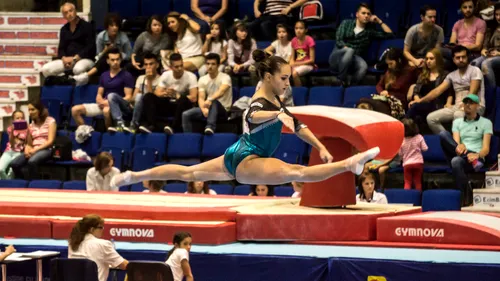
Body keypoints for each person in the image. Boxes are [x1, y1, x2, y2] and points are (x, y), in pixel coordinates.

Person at [110, 53, 380, 189]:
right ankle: (349, 164)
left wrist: (319, 146)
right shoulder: (260, 101)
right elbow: (252, 116)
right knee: (296, 172)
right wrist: (278, 114)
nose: (288, 83)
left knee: (187, 173)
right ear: (267, 77)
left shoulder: (275, 98)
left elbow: (297, 125)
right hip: (247, 158)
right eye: (284, 78)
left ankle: (134, 176)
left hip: (239, 153)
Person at [410, 45, 486, 134]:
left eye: (463, 57)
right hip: (457, 106)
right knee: (431, 118)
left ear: (467, 57)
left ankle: (458, 143)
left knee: (458, 114)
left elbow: (473, 91)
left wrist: (465, 104)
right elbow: (437, 91)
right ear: (453, 60)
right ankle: (448, 139)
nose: (461, 60)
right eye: (458, 58)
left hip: (475, 106)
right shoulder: (452, 75)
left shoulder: (475, 70)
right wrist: (420, 101)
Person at [439, 94, 492, 204]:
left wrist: (477, 155)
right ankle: (467, 191)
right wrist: (461, 146)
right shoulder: (457, 122)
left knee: (455, 161)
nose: (467, 105)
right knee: (443, 134)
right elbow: (456, 144)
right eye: (466, 102)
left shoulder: (486, 123)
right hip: (461, 153)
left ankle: (465, 195)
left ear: (477, 105)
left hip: (476, 156)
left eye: (471, 103)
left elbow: (486, 149)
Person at [329, 2, 393, 86]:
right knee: (349, 50)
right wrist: (348, 51)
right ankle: (340, 80)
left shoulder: (369, 31)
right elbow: (339, 40)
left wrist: (379, 21)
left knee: (363, 66)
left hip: (354, 58)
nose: (366, 16)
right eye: (363, 13)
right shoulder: (346, 23)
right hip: (337, 57)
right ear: (357, 14)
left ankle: (351, 86)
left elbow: (390, 34)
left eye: (368, 14)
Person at [71, 48, 135, 131]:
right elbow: (99, 93)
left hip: (118, 106)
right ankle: (85, 131)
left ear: (121, 60)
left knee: (106, 110)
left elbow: (128, 97)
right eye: (112, 60)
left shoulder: (127, 75)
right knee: (75, 110)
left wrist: (108, 102)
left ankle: (109, 134)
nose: (115, 62)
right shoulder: (104, 75)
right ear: (108, 61)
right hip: (103, 104)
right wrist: (99, 100)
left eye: (117, 59)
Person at [141, 53, 198, 134]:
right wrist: (165, 93)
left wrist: (177, 95)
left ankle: (174, 128)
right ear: (171, 67)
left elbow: (193, 97)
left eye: (181, 65)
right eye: (176, 67)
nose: (180, 68)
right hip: (168, 103)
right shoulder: (166, 75)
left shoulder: (191, 76)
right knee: (148, 96)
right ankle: (151, 125)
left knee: (183, 99)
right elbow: (157, 93)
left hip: (181, 105)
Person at [41, 2, 95, 82]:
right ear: (63, 16)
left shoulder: (87, 26)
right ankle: (63, 82)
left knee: (78, 69)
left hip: (84, 59)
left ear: (75, 11)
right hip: (67, 61)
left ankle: (76, 88)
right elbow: (61, 49)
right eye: (66, 13)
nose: (69, 14)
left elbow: (91, 47)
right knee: (46, 69)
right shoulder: (64, 29)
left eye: (71, 11)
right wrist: (64, 59)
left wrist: (75, 58)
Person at [357, 48, 417, 119]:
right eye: (388, 64)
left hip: (398, 103)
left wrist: (414, 86)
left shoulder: (410, 71)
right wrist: (382, 91)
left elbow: (422, 81)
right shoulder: (390, 71)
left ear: (399, 60)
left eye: (391, 63)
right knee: (362, 102)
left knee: (373, 107)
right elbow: (379, 85)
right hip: (385, 99)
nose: (389, 66)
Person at [182, 53, 232, 135]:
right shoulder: (202, 79)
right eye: (208, 64)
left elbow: (221, 91)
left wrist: (210, 99)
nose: (210, 66)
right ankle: (188, 137)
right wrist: (203, 109)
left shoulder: (225, 77)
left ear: (218, 65)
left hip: (223, 110)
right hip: (207, 108)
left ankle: (210, 127)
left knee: (214, 102)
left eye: (213, 64)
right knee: (185, 114)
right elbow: (201, 97)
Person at [68, 215, 128, 281]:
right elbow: (124, 265)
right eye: (100, 227)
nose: (103, 230)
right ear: (91, 229)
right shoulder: (103, 244)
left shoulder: (72, 244)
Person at [406, 48, 451, 127]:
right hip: (423, 103)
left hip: (437, 104)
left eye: (431, 59)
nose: (428, 61)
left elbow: (450, 93)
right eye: (426, 59)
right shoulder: (423, 75)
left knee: (414, 107)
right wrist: (417, 101)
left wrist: (448, 103)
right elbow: (416, 91)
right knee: (413, 106)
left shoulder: (445, 75)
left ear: (438, 60)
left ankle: (403, 126)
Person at [10, 101, 56, 180]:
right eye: (29, 110)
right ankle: (23, 183)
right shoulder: (31, 125)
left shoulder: (50, 121)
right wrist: (27, 149)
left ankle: (34, 185)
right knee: (14, 164)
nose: (30, 112)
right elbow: (29, 143)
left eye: (32, 109)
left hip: (46, 149)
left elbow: (50, 141)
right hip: (33, 149)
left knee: (32, 161)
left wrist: (35, 149)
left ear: (39, 110)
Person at [85, 13, 132, 80]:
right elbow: (97, 57)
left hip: (120, 61)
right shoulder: (101, 37)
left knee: (128, 65)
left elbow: (129, 56)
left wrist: (119, 53)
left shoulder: (123, 37)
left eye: (116, 25)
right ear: (107, 27)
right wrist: (105, 50)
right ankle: (86, 76)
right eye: (112, 25)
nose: (115, 28)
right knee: (102, 61)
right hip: (106, 61)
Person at [442, 0, 486, 67]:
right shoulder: (457, 24)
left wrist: (461, 47)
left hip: (471, 53)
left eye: (470, 7)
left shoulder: (481, 23)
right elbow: (452, 43)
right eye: (465, 7)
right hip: (456, 52)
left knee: (440, 52)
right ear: (461, 9)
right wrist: (454, 47)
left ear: (474, 8)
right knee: (441, 58)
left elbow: (478, 46)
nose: (468, 10)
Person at [472, 3, 500, 91]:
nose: (498, 17)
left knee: (486, 64)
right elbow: (486, 45)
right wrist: (484, 49)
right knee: (475, 63)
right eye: (496, 14)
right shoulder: (492, 27)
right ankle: (476, 91)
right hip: (490, 53)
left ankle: (491, 92)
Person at [131, 53, 161, 134]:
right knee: (139, 96)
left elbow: (151, 99)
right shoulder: (140, 78)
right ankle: (133, 124)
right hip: (138, 107)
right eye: (146, 64)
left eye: (151, 64)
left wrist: (149, 80)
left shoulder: (161, 79)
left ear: (157, 65)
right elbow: (133, 98)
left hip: (153, 109)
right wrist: (139, 97)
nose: (148, 67)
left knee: (142, 96)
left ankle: (134, 125)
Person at [399, 118, 428, 191]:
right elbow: (425, 148)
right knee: (417, 182)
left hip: (407, 164)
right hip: (418, 163)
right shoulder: (419, 137)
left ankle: (406, 198)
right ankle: (418, 199)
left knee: (407, 182)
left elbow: (400, 153)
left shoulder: (401, 140)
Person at [0, 111, 27, 179]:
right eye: (17, 118)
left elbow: (25, 143)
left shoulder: (28, 129)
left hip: (19, 153)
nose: (20, 119)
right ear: (13, 120)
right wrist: (12, 131)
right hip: (9, 151)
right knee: (1, 169)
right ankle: (6, 183)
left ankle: (8, 185)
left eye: (22, 118)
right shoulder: (10, 129)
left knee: (11, 172)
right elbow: (12, 143)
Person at [290, 20, 315, 87]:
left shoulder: (309, 40)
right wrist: (291, 63)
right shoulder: (293, 40)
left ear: (306, 30)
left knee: (294, 73)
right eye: (296, 28)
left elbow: (312, 60)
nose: (298, 30)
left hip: (308, 65)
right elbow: (292, 57)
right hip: (297, 64)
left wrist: (296, 63)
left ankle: (299, 92)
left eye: (301, 28)